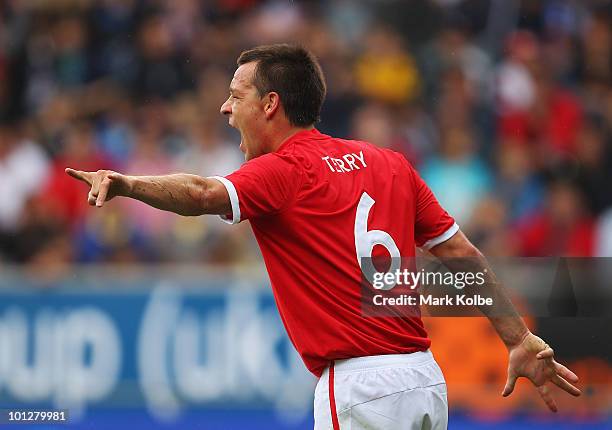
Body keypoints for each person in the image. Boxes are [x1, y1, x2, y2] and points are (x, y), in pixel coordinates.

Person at [66, 44, 580, 429]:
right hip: (424, 380)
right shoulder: (390, 164)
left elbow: (202, 192)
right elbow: (461, 253)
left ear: (270, 105)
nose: (225, 108)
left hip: (357, 385)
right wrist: (517, 337)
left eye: (234, 95)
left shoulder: (284, 171)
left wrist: (127, 182)